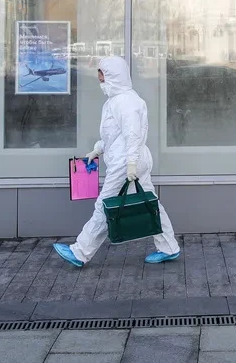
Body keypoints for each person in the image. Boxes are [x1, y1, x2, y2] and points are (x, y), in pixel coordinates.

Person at [54, 56, 181, 267]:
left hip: (126, 164)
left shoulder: (125, 102)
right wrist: (98, 150)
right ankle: (169, 248)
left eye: (101, 74)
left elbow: (132, 135)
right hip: (131, 161)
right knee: (151, 204)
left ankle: (80, 252)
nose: (99, 78)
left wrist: (130, 164)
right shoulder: (117, 100)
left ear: (112, 75)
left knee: (104, 205)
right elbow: (114, 136)